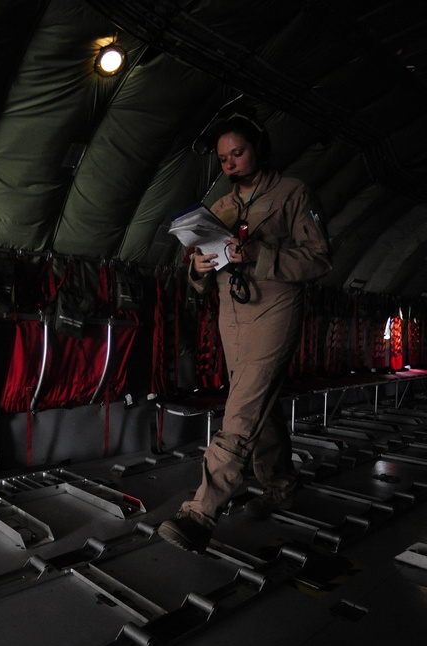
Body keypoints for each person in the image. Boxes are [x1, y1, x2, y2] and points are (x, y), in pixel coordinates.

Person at [157, 109, 332, 553]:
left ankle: (201, 511)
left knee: (242, 409)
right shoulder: (219, 209)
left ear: (259, 150)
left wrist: (257, 253)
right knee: (256, 403)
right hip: (230, 313)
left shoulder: (293, 192)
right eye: (223, 158)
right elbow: (203, 269)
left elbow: (317, 259)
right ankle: (280, 485)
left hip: (274, 307)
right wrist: (197, 266)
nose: (231, 163)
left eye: (238, 152)